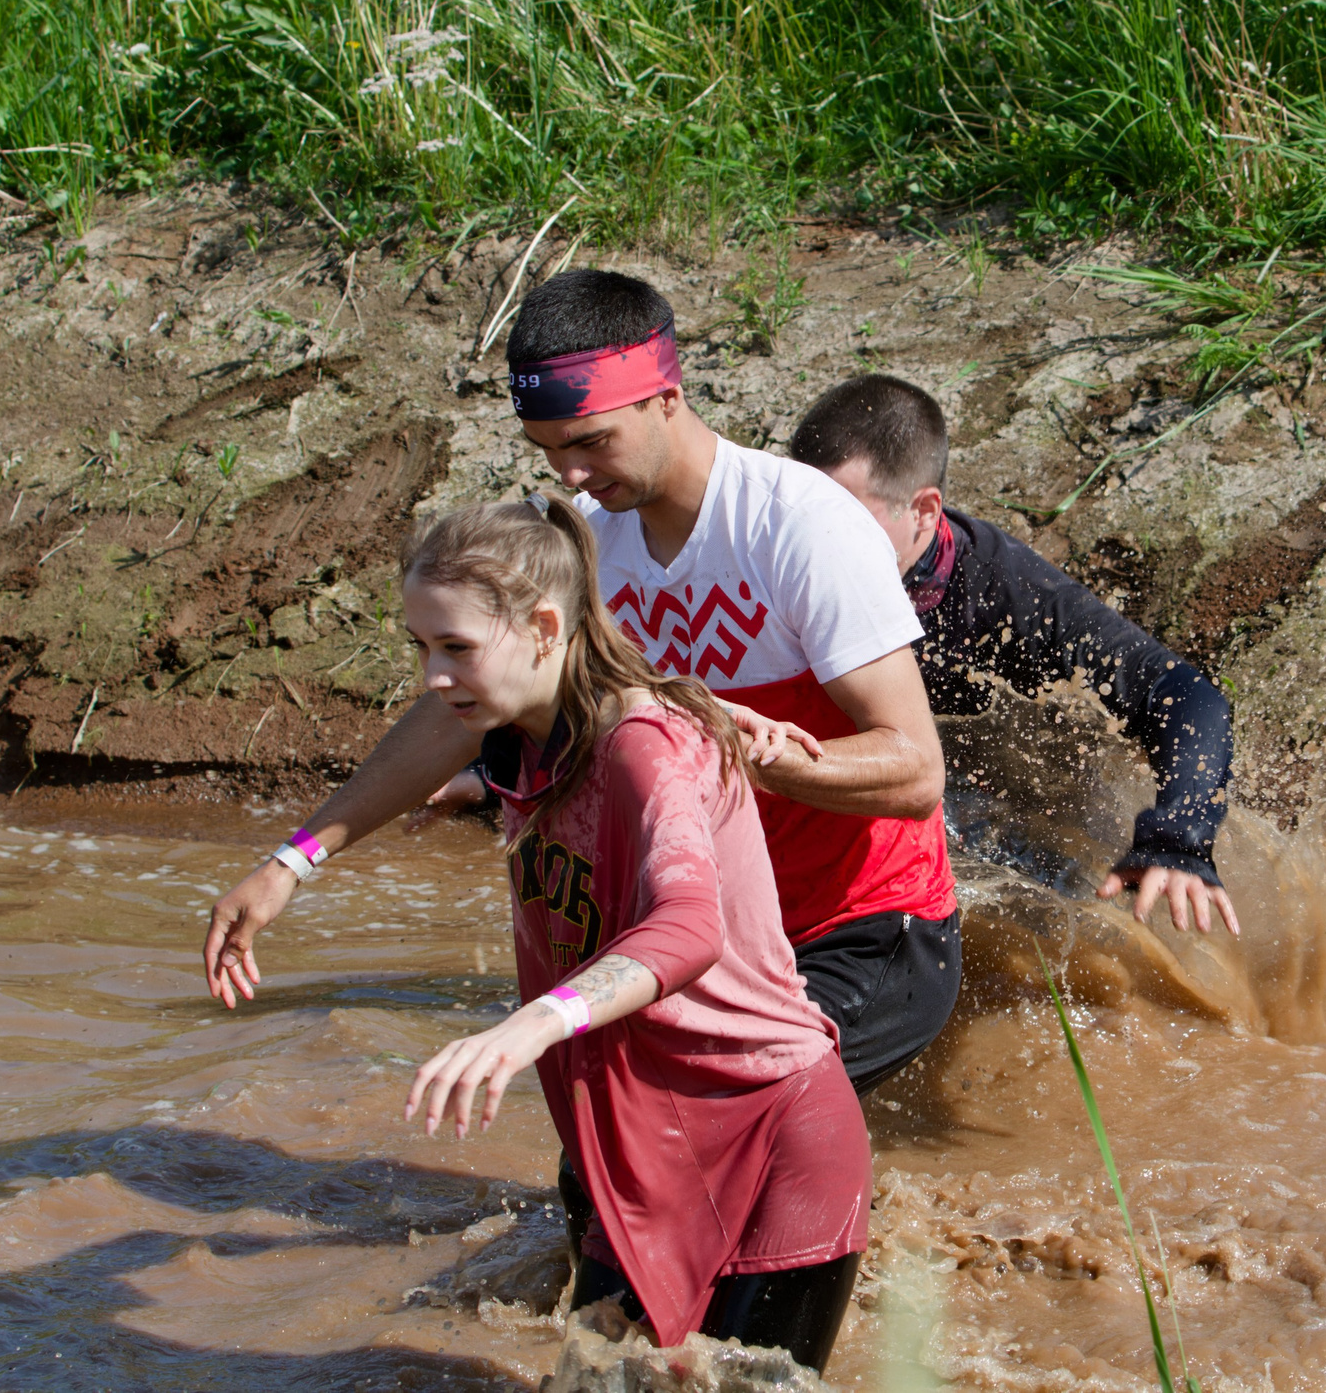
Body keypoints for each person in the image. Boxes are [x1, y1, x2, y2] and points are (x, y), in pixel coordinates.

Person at [205, 270, 960, 1098]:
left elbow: (916, 773)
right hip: (708, 929)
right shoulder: (588, 545)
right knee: (602, 1167)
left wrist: (762, 759)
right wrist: (292, 862)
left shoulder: (801, 526)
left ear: (665, 395)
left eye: (590, 441)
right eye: (547, 449)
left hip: (868, 930)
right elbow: (456, 713)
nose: (568, 475)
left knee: (718, 1115)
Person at [210, 499, 869, 1366]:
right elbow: (429, 741)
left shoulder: (645, 745)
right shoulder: (523, 729)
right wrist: (289, 863)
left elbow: (689, 928)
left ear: (545, 628)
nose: (431, 677)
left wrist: (525, 1026)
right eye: (421, 647)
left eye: (455, 648)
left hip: (770, 1140)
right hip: (642, 1153)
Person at [788, 374, 1241, 937]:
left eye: (845, 522)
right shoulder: (775, 564)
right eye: (802, 513)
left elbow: (1185, 696)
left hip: (1021, 807)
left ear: (925, 512)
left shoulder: (1009, 598)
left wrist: (1178, 836)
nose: (811, 546)